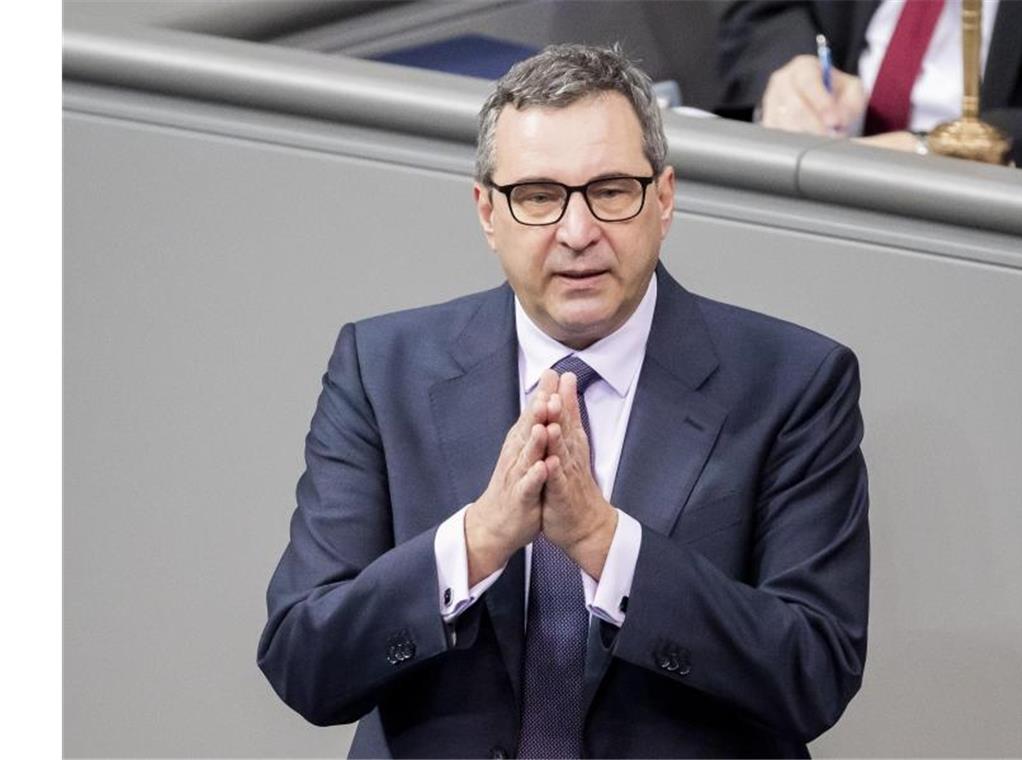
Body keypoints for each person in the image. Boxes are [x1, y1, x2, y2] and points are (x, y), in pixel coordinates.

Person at [257, 43, 870, 759]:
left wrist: (605, 545)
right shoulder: (381, 369)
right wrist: (478, 540)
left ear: (664, 199)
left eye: (611, 191)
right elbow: (305, 661)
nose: (578, 233)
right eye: (540, 197)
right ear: (488, 212)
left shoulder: (793, 382)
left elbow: (815, 672)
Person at [716, 0, 1022, 175]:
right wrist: (790, 72)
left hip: (1005, 221)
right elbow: (766, 12)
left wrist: (941, 150)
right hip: (810, 177)